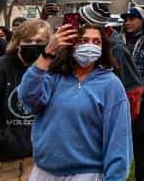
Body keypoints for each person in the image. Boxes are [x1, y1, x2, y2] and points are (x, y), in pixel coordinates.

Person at [17, 23, 131, 181]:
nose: (90, 46)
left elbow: (118, 139)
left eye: (96, 42)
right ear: (72, 44)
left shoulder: (111, 85)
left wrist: (115, 177)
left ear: (103, 47)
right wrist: (47, 54)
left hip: (85, 174)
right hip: (44, 171)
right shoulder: (54, 77)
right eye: (83, 40)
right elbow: (28, 98)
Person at [0, 19, 50, 181]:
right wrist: (10, 142)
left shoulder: (52, 70)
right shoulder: (1, 68)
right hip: (5, 160)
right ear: (17, 42)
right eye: (28, 41)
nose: (33, 45)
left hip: (40, 158)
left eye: (40, 41)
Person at [77, 2, 144, 122]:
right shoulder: (102, 41)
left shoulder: (116, 49)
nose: (78, 27)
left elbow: (118, 90)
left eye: (82, 23)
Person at [120, 3, 144, 181]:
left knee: (142, 139)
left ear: (143, 20)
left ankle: (143, 176)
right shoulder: (120, 39)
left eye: (132, 19)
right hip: (121, 97)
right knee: (117, 138)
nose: (128, 23)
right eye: (126, 20)